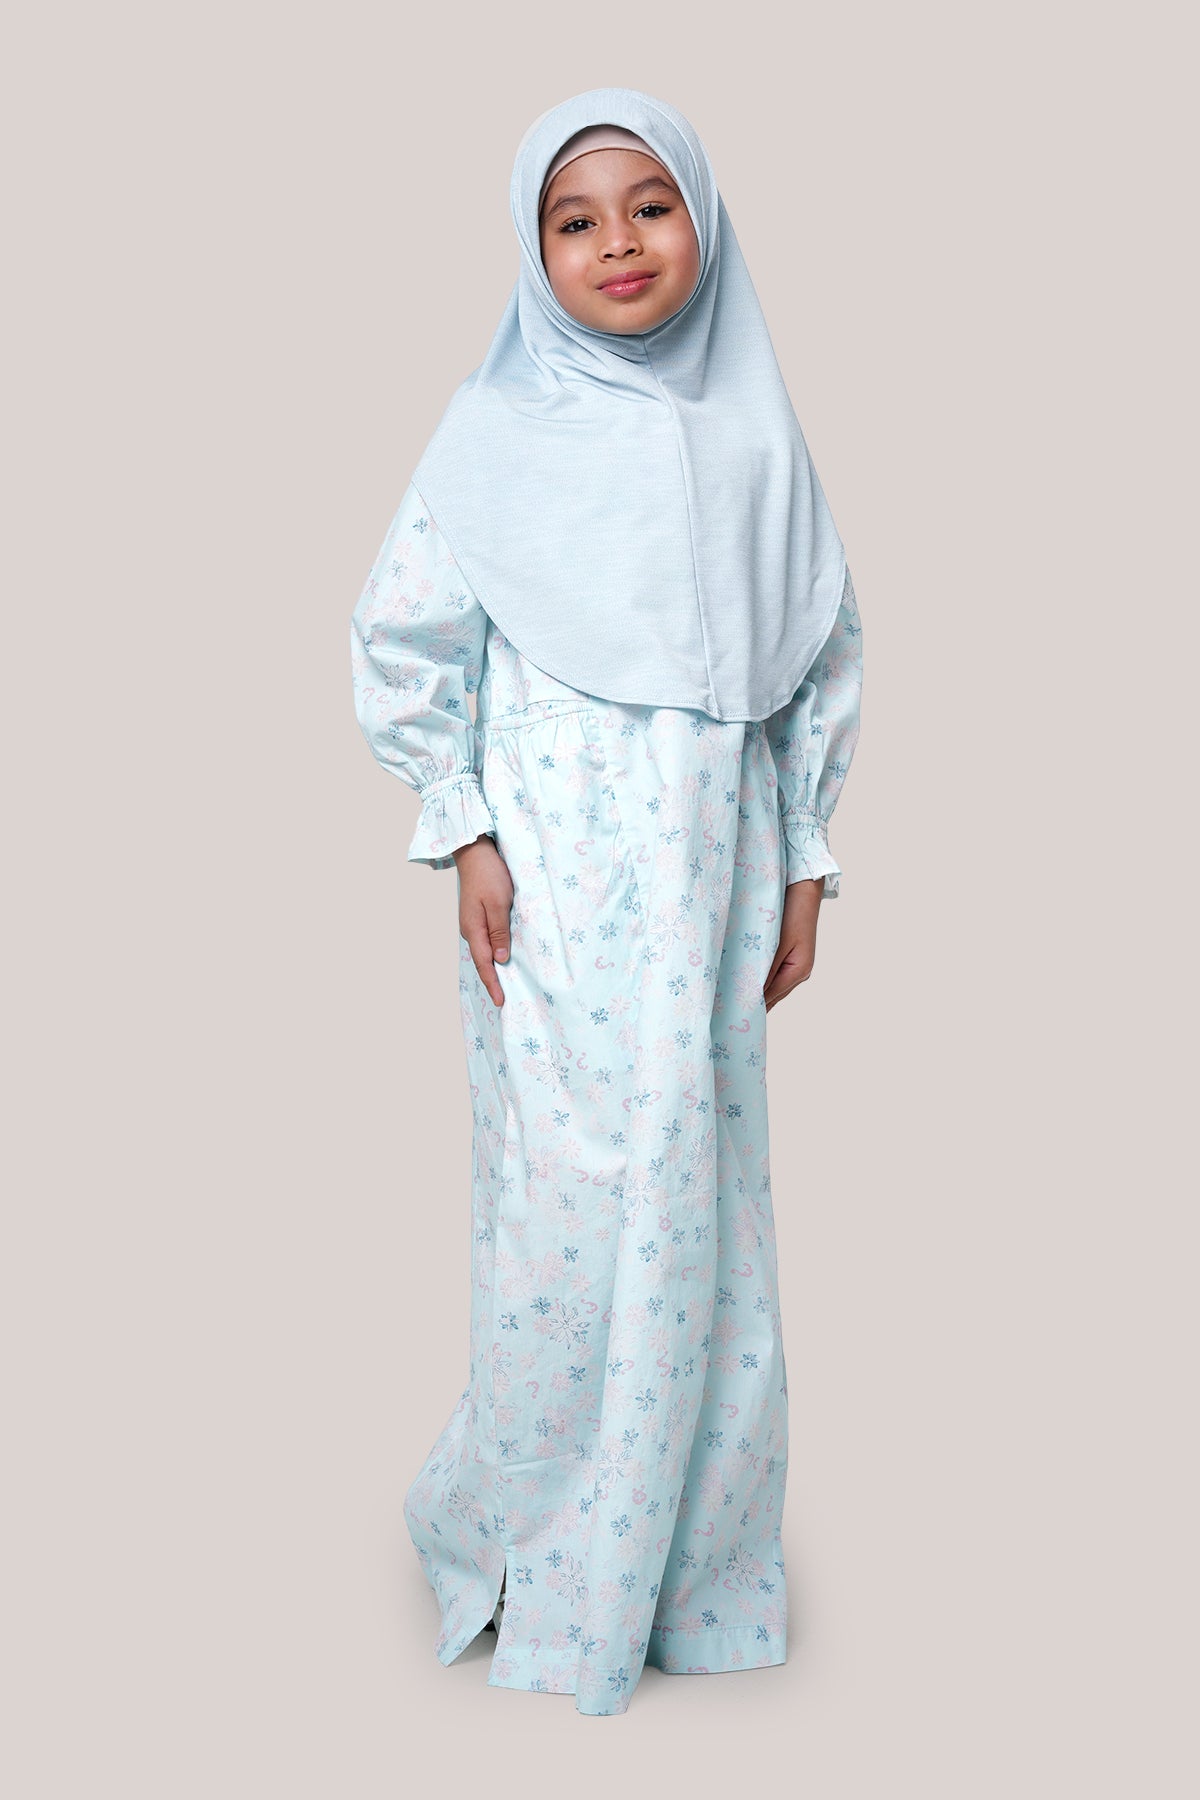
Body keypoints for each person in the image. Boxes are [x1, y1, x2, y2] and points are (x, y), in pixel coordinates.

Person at [349, 86, 863, 1716]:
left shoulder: (754, 438)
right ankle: (543, 1556)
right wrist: (467, 835)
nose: (618, 244)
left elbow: (811, 663)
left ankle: (694, 1577)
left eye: (651, 206)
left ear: (702, 222)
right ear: (534, 251)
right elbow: (409, 640)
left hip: (715, 885)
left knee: (711, 1217)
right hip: (562, 889)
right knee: (565, 1215)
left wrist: (804, 858)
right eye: (575, 220)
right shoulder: (493, 434)